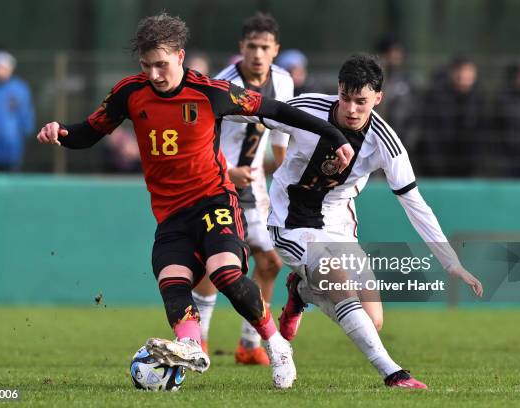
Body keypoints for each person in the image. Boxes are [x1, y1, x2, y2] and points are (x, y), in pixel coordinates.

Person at [36, 12, 354, 389]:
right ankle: (189, 344)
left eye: (161, 64)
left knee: (224, 272)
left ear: (180, 56)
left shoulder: (211, 92)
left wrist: (333, 134)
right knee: (171, 280)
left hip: (214, 198)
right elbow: (89, 132)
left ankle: (276, 343)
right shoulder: (129, 93)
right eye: (146, 65)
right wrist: (61, 132)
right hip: (170, 214)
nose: (154, 74)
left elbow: (276, 110)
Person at [226, 54, 484, 388]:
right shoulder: (307, 108)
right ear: (338, 90)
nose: (351, 109)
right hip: (290, 220)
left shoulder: (386, 143)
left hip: (338, 224)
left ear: (379, 98)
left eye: (361, 101)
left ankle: (302, 292)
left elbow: (415, 204)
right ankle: (393, 373)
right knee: (338, 280)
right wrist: (205, 103)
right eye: (346, 98)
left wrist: (452, 264)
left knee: (372, 320)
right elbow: (257, 110)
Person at [191, 12, 293, 366]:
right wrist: (227, 171)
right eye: (252, 46)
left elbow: (281, 134)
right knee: (213, 263)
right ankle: (198, 342)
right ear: (241, 48)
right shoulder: (221, 85)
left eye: (265, 47)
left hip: (256, 186)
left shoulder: (283, 82)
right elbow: (200, 139)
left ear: (275, 50)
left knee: (269, 261)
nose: (258, 54)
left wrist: (285, 175)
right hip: (218, 181)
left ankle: (248, 345)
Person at [418, 56, 487, 177]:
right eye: (462, 72)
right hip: (438, 168)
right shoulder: (437, 98)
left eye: (469, 73)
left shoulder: (478, 100)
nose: (465, 78)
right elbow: (430, 133)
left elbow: (482, 135)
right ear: (454, 73)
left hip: (468, 169)